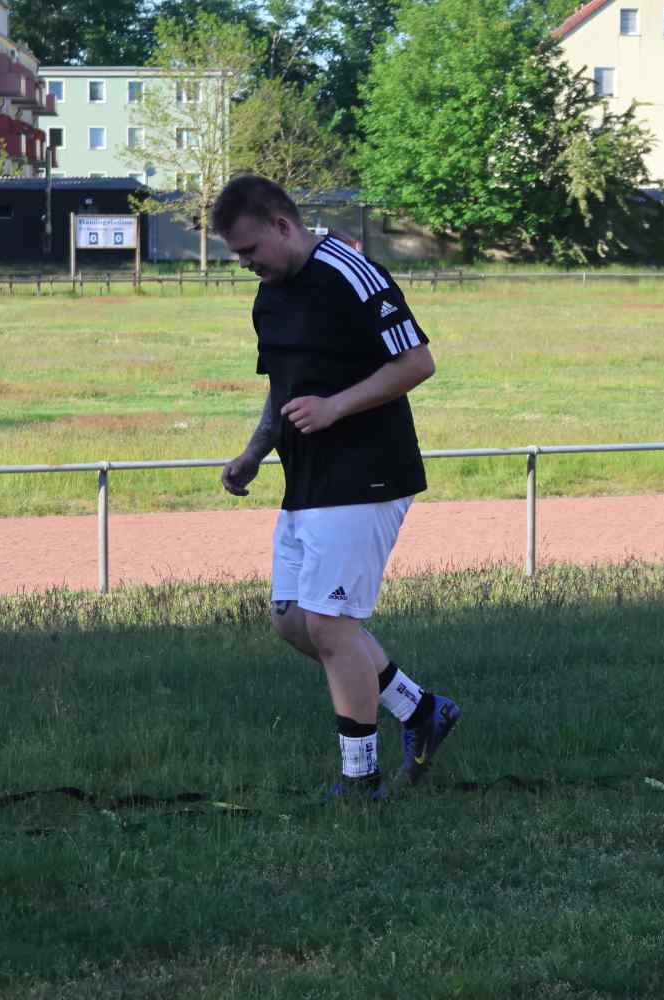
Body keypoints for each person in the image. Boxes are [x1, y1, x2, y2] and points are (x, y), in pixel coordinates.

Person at [213, 175, 460, 802]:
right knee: (293, 622)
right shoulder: (269, 299)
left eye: (249, 252)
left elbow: (417, 363)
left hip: (369, 472)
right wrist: (253, 452)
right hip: (307, 480)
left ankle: (360, 780)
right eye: (237, 258)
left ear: (281, 225)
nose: (246, 266)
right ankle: (422, 711)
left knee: (329, 625)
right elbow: (283, 389)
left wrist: (336, 408)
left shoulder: (352, 272)